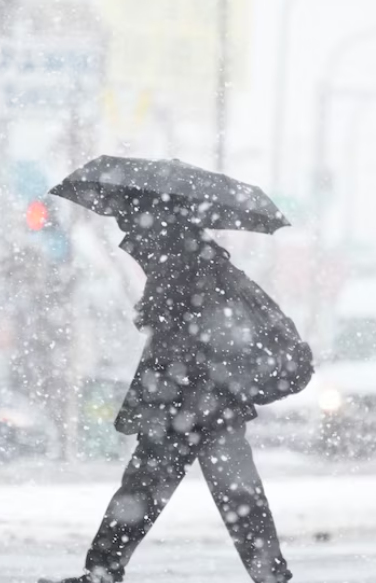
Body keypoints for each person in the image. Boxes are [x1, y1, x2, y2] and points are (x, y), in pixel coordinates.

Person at [42, 203, 307, 583]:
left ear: (162, 228)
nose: (132, 239)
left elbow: (188, 340)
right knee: (233, 497)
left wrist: (160, 319)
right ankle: (271, 576)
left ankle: (102, 572)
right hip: (203, 404)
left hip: (186, 403)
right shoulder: (203, 265)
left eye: (134, 229)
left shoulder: (185, 268)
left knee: (145, 493)